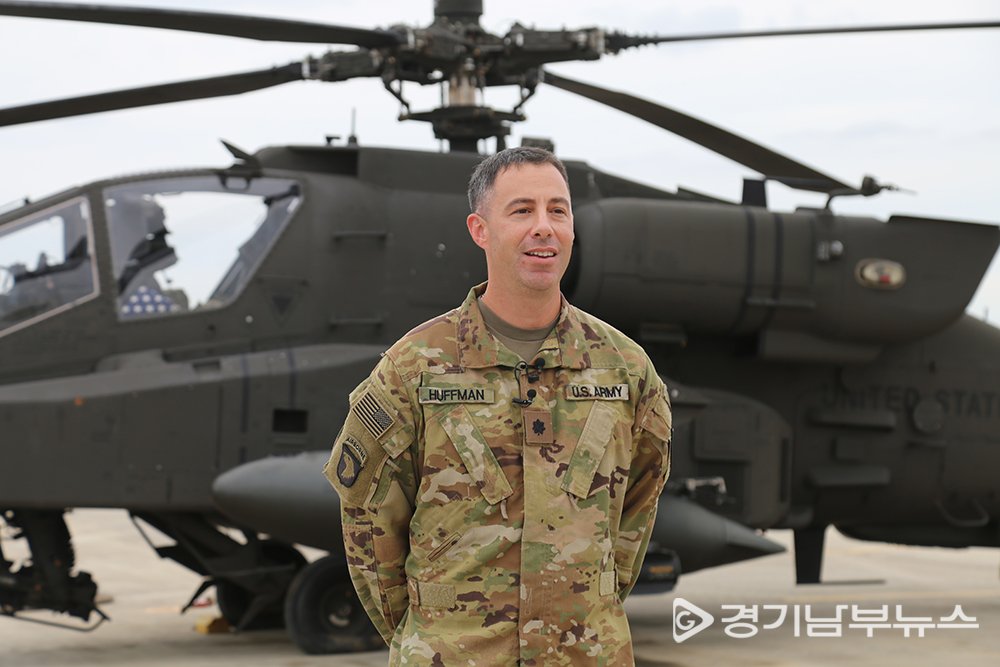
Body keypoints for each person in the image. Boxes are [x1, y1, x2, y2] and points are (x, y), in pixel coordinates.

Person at [324, 146, 672, 665]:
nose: (543, 227)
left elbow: (638, 511)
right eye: (522, 210)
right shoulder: (412, 368)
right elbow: (368, 523)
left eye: (558, 210)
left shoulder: (625, 369)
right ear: (480, 229)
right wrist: (432, 630)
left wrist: (584, 607)